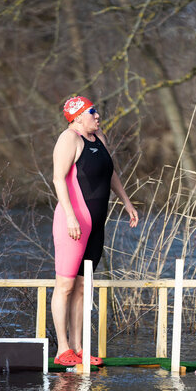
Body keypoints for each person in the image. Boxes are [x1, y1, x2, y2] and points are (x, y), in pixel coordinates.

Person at [52, 96, 139, 366]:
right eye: (92, 112)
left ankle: (78, 348)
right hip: (73, 222)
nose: (98, 115)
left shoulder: (98, 137)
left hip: (96, 223)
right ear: (78, 116)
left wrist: (126, 201)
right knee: (65, 285)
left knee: (82, 286)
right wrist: (70, 217)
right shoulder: (69, 139)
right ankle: (62, 348)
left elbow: (108, 172)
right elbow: (58, 178)